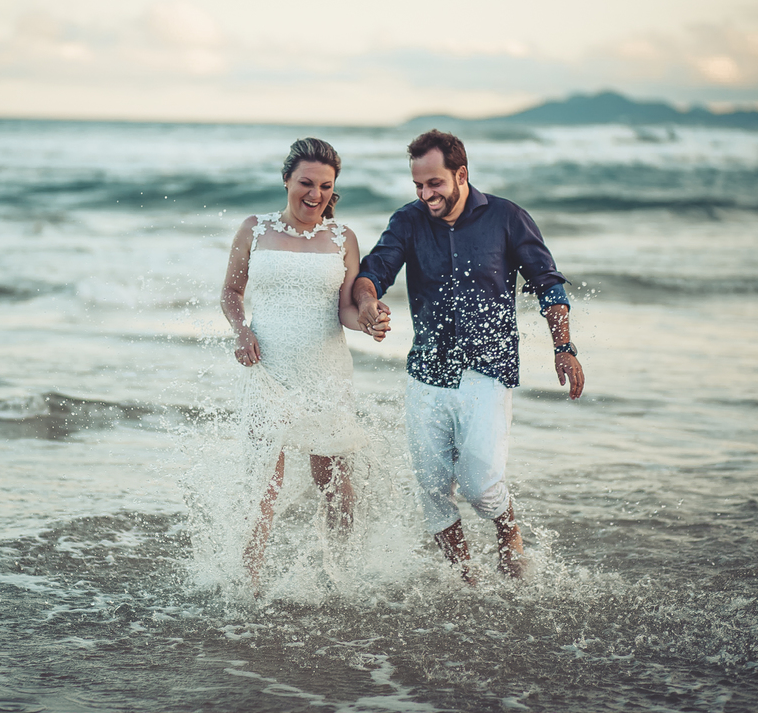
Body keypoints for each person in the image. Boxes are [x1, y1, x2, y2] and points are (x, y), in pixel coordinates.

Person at [353, 129, 584, 584]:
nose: (426, 194)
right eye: (418, 185)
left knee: (480, 485)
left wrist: (564, 347)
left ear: (461, 174)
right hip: (427, 372)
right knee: (433, 489)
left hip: (487, 370)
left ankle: (510, 540)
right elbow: (374, 272)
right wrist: (366, 303)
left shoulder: (507, 218)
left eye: (434, 183)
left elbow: (548, 284)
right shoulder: (409, 221)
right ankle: (466, 577)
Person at [220, 137, 387, 591]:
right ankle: (248, 585)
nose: (315, 195)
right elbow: (231, 293)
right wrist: (242, 331)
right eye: (306, 183)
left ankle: (342, 577)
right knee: (262, 484)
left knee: (332, 480)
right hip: (268, 370)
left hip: (325, 372)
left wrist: (368, 322)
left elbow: (346, 311)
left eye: (326, 186)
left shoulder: (342, 238)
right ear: (287, 180)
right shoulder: (254, 229)